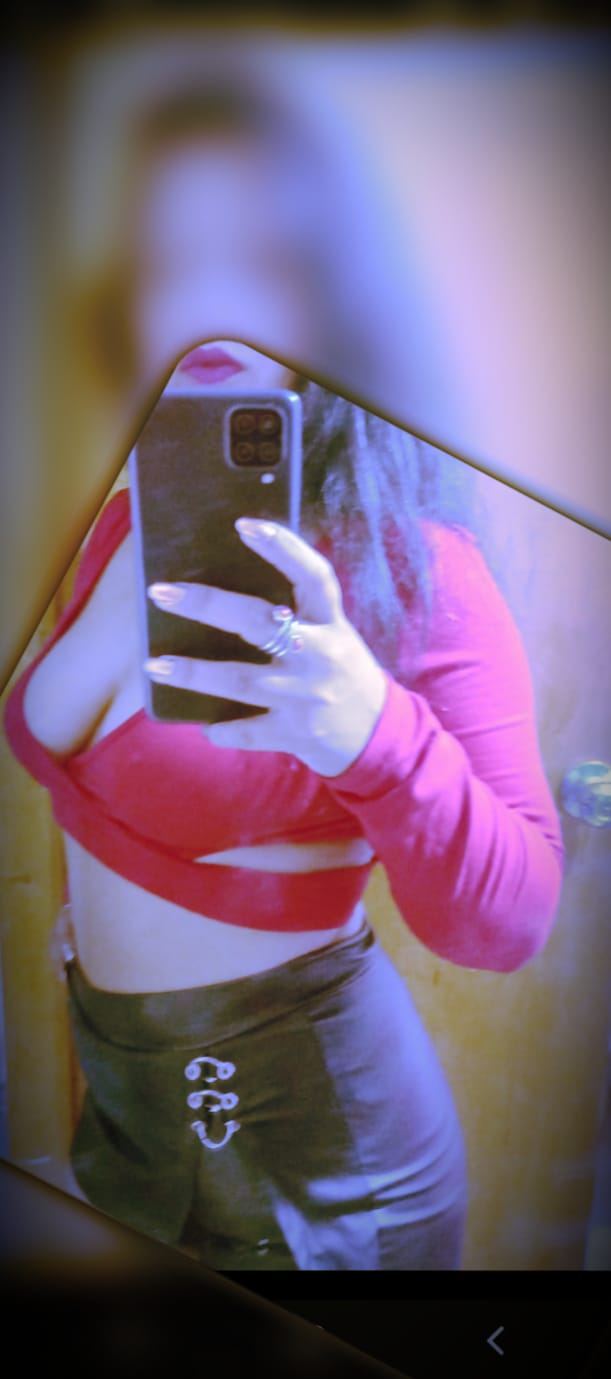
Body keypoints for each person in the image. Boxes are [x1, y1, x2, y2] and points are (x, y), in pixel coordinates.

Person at [3, 67, 564, 1272]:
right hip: (131, 1110)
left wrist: (374, 736)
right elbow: (76, 763)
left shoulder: (414, 565)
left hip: (327, 1159)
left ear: (336, 293)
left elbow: (514, 917)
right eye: (169, 259)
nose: (207, 304)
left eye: (261, 258)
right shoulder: (126, 507)